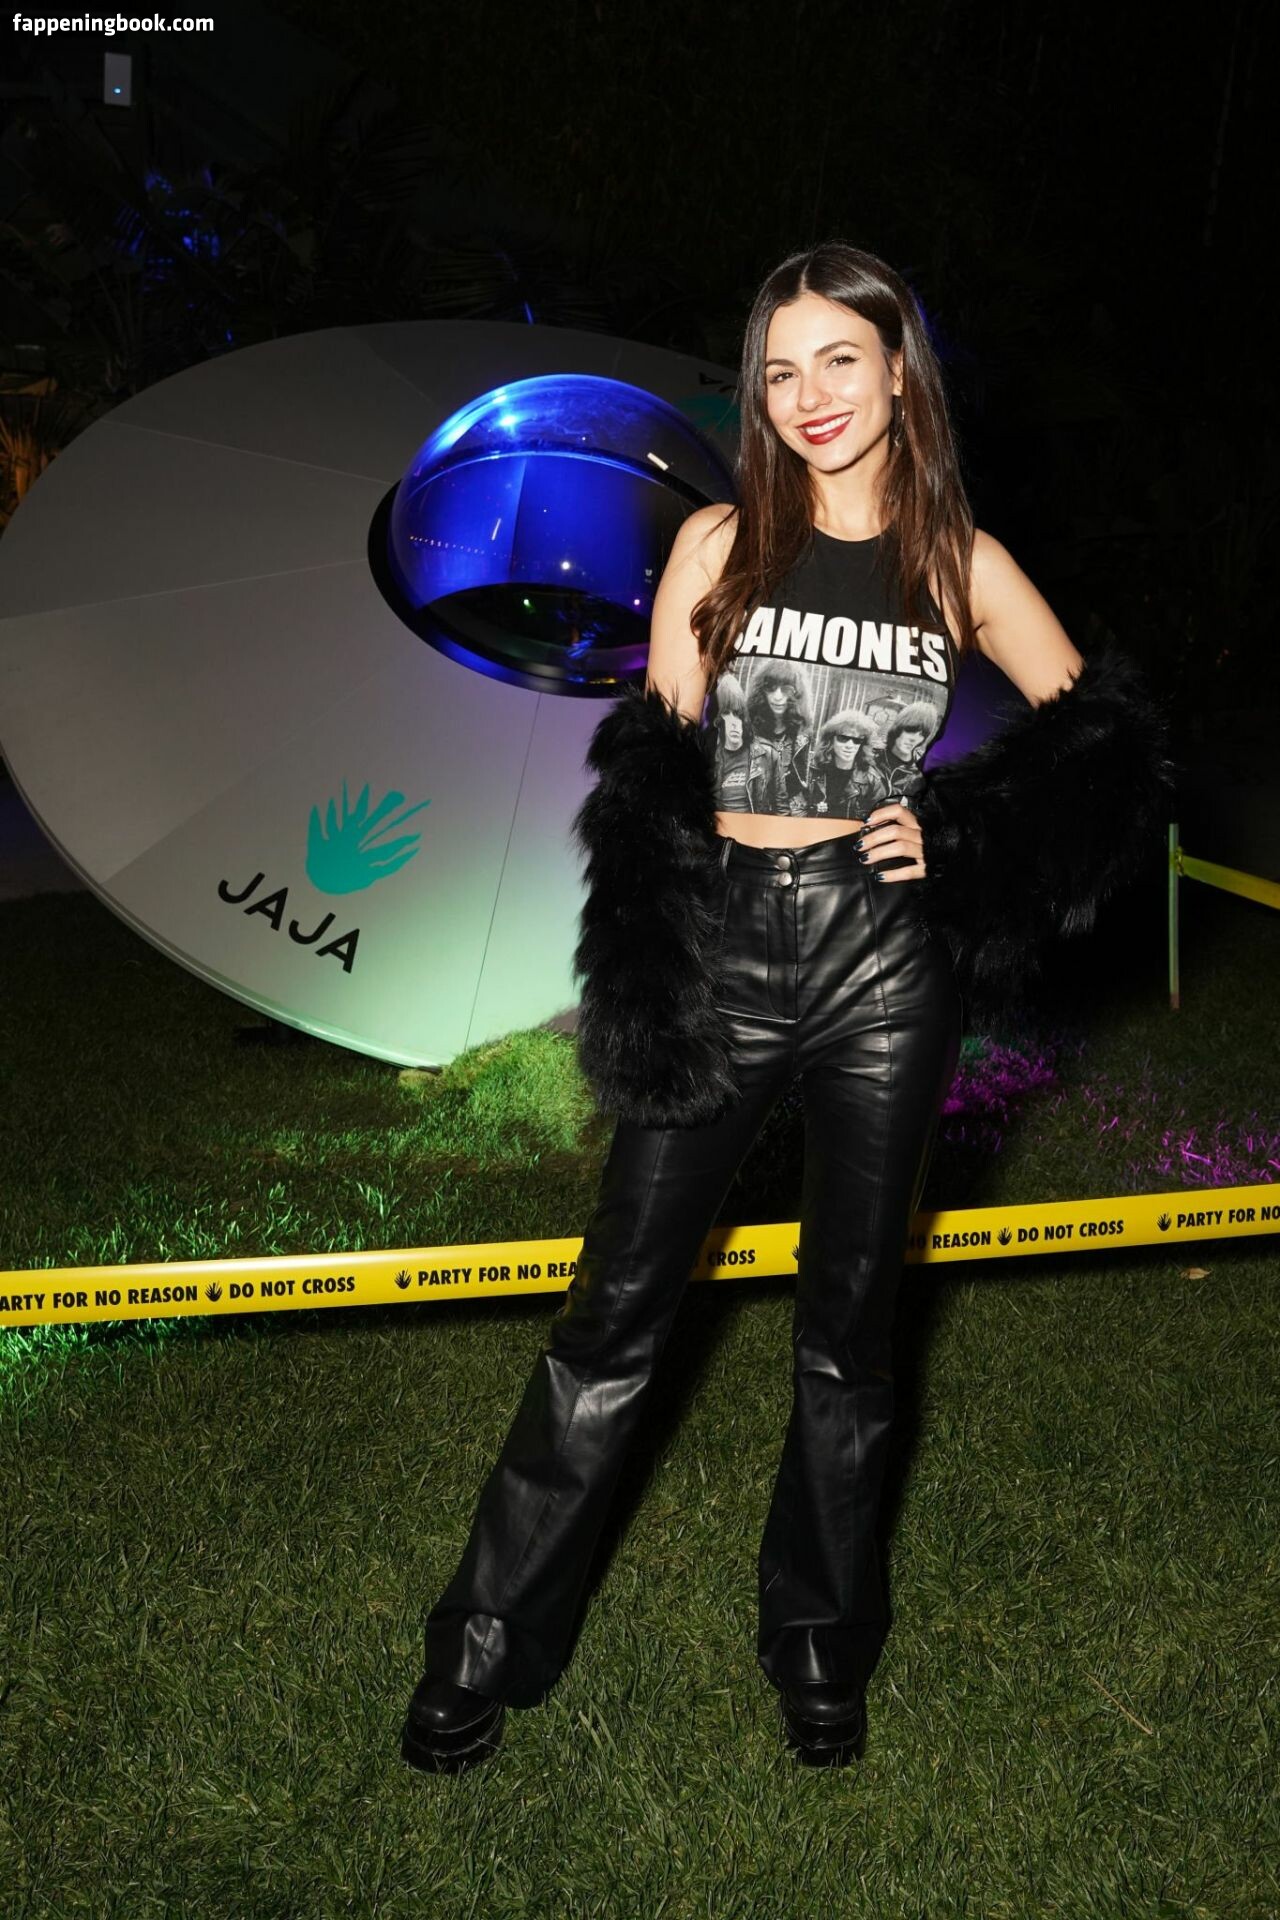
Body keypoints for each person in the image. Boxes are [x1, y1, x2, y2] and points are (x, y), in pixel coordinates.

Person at [400, 242, 1174, 1774]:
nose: (808, 395)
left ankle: (820, 1641)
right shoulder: (718, 543)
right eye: (778, 370)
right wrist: (650, 975)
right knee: (613, 1317)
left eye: (838, 360)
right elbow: (649, 794)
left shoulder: (962, 562)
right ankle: (484, 1642)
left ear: (899, 374)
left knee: (850, 1336)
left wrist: (963, 843)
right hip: (726, 957)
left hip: (886, 974)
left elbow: (1113, 755)